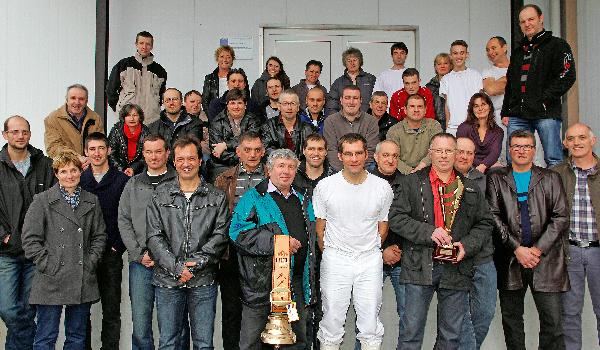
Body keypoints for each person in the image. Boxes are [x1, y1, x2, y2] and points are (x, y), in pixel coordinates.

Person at [389, 133, 493, 350]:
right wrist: (429, 232)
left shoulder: (471, 187)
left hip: (456, 267)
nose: (444, 156)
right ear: (430, 153)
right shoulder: (411, 182)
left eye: (448, 151)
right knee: (410, 334)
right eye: (439, 150)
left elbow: (484, 224)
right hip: (419, 265)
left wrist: (466, 246)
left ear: (455, 154)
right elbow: (396, 219)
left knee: (451, 336)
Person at [487, 129, 569, 350]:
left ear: (534, 150)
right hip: (510, 259)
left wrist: (537, 250)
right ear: (509, 150)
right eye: (516, 146)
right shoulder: (496, 179)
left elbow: (561, 216)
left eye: (526, 147)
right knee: (512, 321)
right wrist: (517, 249)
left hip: (547, 260)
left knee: (553, 322)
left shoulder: (551, 178)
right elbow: (492, 216)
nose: (521, 151)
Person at [146, 135, 229, 349]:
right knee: (168, 342)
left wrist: (197, 263)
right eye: (181, 159)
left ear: (200, 161)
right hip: (167, 280)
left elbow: (220, 236)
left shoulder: (216, 196)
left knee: (203, 343)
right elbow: (154, 236)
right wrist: (176, 267)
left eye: (191, 158)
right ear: (174, 162)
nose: (186, 164)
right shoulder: (160, 195)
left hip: (203, 279)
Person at [229, 149, 317, 350]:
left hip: (295, 283)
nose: (286, 171)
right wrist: (278, 242)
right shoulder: (253, 197)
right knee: (252, 342)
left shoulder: (304, 199)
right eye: (280, 166)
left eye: (291, 167)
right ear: (269, 170)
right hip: (261, 284)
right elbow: (237, 233)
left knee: (297, 339)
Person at [313, 133, 393, 350]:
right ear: (340, 156)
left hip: (369, 260)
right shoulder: (325, 187)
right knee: (332, 320)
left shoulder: (382, 187)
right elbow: (320, 229)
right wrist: (334, 253)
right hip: (336, 259)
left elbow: (382, 227)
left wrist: (368, 250)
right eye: (348, 154)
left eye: (358, 153)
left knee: (370, 323)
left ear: (367, 155)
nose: (354, 158)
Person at [22, 151, 106, 349]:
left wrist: (90, 261)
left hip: (81, 275)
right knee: (45, 337)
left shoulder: (91, 200)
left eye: (74, 170)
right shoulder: (42, 200)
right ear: (56, 174)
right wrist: (48, 264)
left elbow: (99, 236)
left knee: (77, 337)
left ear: (80, 172)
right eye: (64, 171)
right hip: (50, 278)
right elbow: (30, 240)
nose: (69, 176)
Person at [118, 134, 180, 350]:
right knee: (141, 324)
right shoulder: (133, 184)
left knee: (174, 326)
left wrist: (169, 255)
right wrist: (137, 253)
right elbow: (123, 220)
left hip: (172, 263)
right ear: (143, 154)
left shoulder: (179, 181)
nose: (154, 157)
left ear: (167, 153)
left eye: (158, 151)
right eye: (149, 152)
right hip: (141, 263)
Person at [0, 116, 55, 350]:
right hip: (6, 251)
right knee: (8, 308)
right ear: (5, 135)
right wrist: (2, 234)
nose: (20, 136)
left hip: (36, 252)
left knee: (28, 307)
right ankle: (29, 337)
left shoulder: (44, 164)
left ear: (30, 134)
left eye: (24, 131)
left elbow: (55, 203)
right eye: (15, 132)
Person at [502, 4, 576, 167]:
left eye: (531, 19)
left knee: (554, 159)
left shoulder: (558, 45)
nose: (527, 24)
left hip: (546, 113)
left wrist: (544, 100)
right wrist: (506, 110)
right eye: (523, 21)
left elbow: (567, 75)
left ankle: (554, 193)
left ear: (541, 19)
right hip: (518, 115)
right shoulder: (518, 52)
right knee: (513, 160)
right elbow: (511, 83)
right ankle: (516, 193)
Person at [214, 131, 266, 350]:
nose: (252, 154)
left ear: (263, 152)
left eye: (257, 150)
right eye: (247, 149)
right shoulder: (223, 179)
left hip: (264, 253)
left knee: (264, 310)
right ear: (238, 152)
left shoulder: (272, 177)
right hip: (231, 252)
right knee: (232, 310)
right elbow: (217, 218)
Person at [552, 123, 600, 350]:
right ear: (565, 144)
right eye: (571, 139)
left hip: (597, 252)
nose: (577, 142)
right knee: (569, 314)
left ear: (593, 140)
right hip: (568, 252)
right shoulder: (556, 174)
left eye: (582, 137)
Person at [80, 132, 129, 350]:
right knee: (82, 310)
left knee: (111, 310)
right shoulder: (80, 181)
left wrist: (117, 246)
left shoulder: (122, 181)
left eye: (101, 148)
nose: (97, 153)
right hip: (84, 254)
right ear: (86, 153)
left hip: (111, 253)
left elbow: (127, 217)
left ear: (108, 150)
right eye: (92, 149)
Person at [454, 137, 496, 350]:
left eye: (469, 153)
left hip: (482, 255)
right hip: (453, 259)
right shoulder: (442, 180)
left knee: (485, 311)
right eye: (460, 151)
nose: (464, 156)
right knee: (460, 317)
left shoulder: (486, 181)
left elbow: (488, 219)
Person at [371, 140, 405, 348]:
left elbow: (411, 221)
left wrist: (398, 249)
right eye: (386, 155)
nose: (391, 160)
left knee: (409, 318)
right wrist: (381, 251)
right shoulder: (365, 182)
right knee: (367, 319)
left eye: (394, 156)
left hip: (401, 258)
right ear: (376, 157)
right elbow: (360, 223)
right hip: (371, 259)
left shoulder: (408, 183)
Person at [107, 31, 167, 124]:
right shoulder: (123, 65)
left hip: (151, 121)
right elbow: (110, 90)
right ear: (136, 44)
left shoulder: (160, 71)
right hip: (127, 120)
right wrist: (121, 111)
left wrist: (154, 109)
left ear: (152, 46)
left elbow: (161, 95)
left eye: (148, 44)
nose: (144, 47)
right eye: (141, 43)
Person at [207, 88, 263, 182]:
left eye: (239, 103)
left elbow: (251, 143)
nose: (236, 107)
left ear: (245, 105)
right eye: (233, 103)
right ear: (227, 105)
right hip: (221, 165)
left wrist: (226, 145)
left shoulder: (254, 121)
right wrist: (242, 155)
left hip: (250, 162)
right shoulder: (216, 122)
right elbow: (218, 152)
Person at [44, 84, 104, 168]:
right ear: (66, 99)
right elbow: (53, 147)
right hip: (66, 168)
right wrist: (76, 158)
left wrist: (91, 159)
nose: (77, 102)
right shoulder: (53, 119)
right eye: (73, 98)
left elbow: (101, 144)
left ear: (86, 101)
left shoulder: (96, 118)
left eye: (81, 99)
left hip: (91, 168)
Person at [323, 86, 379, 171]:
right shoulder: (330, 121)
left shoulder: (371, 121)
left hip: (365, 168)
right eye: (347, 98)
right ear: (341, 100)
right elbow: (331, 151)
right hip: (338, 169)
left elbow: (371, 151)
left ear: (361, 101)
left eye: (355, 98)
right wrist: (346, 173)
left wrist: (357, 171)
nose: (351, 102)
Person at [386, 94, 443, 175]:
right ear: (405, 110)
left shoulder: (434, 126)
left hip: (429, 171)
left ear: (425, 110)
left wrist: (421, 167)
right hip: (401, 174)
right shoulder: (394, 131)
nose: (416, 110)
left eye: (420, 106)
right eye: (412, 106)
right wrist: (409, 172)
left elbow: (437, 150)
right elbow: (392, 156)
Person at [440, 40, 483, 135]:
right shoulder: (445, 79)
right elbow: (446, 105)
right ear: (450, 56)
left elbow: (480, 103)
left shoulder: (476, 76)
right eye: (455, 53)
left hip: (473, 125)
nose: (458, 56)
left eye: (462, 53)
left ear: (467, 55)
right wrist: (447, 124)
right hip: (453, 127)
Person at [261, 89, 317, 158]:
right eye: (285, 104)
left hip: (301, 167)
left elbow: (312, 152)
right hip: (277, 166)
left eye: (293, 103)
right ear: (279, 106)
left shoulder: (309, 129)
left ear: (298, 107)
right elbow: (266, 149)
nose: (289, 108)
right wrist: (285, 161)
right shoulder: (268, 126)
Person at [456, 93, 504, 173]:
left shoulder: (498, 131)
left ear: (490, 107)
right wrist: (481, 165)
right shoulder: (463, 128)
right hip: (467, 164)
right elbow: (461, 152)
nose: (480, 108)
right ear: (472, 110)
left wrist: (484, 166)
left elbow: (494, 153)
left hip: (488, 165)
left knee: (499, 171)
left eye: (483, 104)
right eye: (476, 106)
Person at [148, 87, 203, 154]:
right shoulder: (153, 127)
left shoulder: (195, 123)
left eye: (175, 99)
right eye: (167, 100)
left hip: (184, 162)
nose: (171, 103)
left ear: (181, 101)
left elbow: (191, 149)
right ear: (163, 103)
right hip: (162, 163)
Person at [482, 36, 510, 164]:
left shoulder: (517, 67)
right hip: (497, 118)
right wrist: (512, 78)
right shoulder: (487, 71)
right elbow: (492, 89)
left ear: (504, 48)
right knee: (501, 156)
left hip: (519, 116)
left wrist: (501, 81)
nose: (490, 52)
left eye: (493, 48)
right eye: (488, 50)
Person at [327, 47, 376, 114]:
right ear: (345, 63)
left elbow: (377, 101)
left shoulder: (370, 79)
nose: (352, 63)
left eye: (354, 60)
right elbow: (332, 104)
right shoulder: (338, 82)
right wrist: (337, 121)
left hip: (366, 120)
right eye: (349, 61)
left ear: (360, 61)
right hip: (344, 121)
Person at [108, 103, 151, 176]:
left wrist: (133, 169)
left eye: (135, 115)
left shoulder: (146, 132)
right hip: (118, 169)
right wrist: (122, 169)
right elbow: (112, 154)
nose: (132, 118)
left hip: (139, 170)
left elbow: (146, 156)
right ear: (123, 117)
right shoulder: (116, 131)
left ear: (140, 117)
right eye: (128, 115)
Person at [202, 45, 236, 112]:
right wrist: (211, 116)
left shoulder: (238, 77)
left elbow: (245, 97)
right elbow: (205, 101)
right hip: (215, 114)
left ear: (232, 60)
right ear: (217, 59)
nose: (225, 59)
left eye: (228, 57)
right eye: (222, 56)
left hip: (235, 113)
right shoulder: (209, 78)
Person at [426, 53, 453, 130]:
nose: (442, 66)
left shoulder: (457, 84)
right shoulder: (429, 87)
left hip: (453, 123)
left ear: (451, 65)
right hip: (435, 124)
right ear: (435, 67)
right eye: (439, 64)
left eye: (445, 63)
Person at [184, 90, 210, 161]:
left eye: (199, 103)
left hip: (201, 153)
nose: (195, 105)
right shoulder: (178, 118)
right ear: (184, 103)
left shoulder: (207, 119)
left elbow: (209, 142)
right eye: (192, 102)